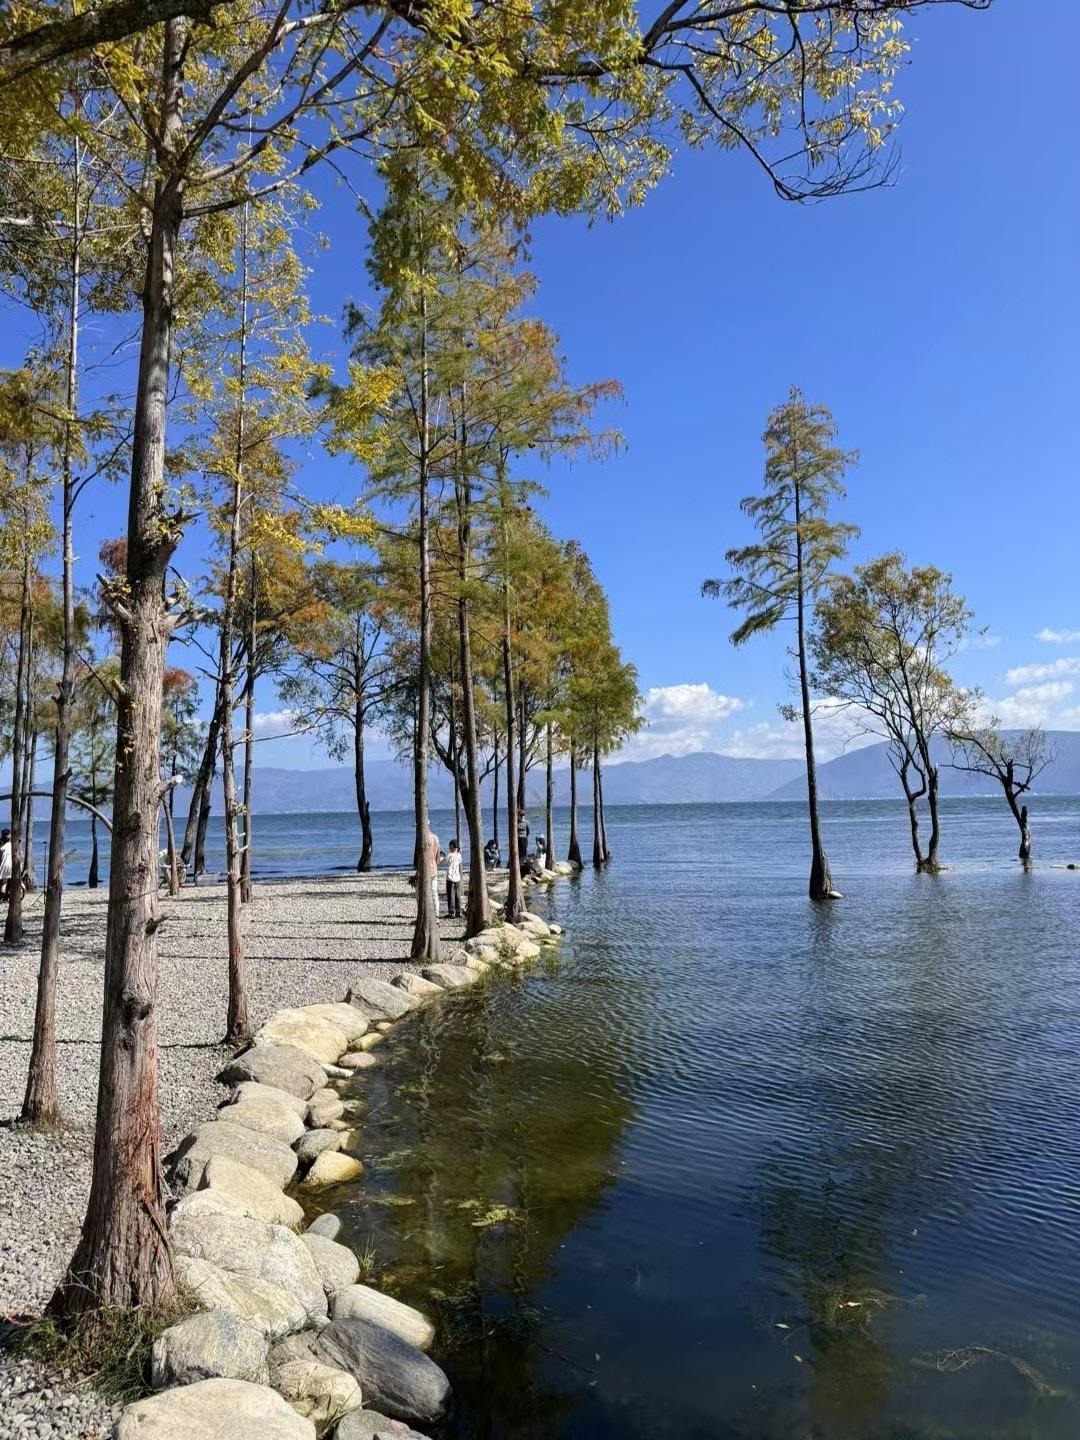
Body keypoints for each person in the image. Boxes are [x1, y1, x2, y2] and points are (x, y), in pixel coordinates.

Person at [426, 826, 442, 918]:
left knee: (420, 894)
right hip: (433, 869)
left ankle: (426, 914)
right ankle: (436, 914)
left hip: (425, 871)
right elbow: (438, 855)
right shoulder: (435, 837)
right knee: (434, 893)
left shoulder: (421, 838)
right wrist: (435, 865)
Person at [445, 838, 463, 919]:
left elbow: (444, 863)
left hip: (450, 878)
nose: (449, 848)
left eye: (450, 846)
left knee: (451, 895)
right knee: (457, 895)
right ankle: (459, 911)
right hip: (458, 877)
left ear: (452, 846)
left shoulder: (449, 855)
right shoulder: (459, 855)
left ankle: (452, 912)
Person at [0, 829, 10, 900]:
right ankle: (3, 897)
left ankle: (4, 896)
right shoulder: (8, 844)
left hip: (4, 864)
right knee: (4, 881)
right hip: (6, 864)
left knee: (4, 881)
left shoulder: (3, 843)